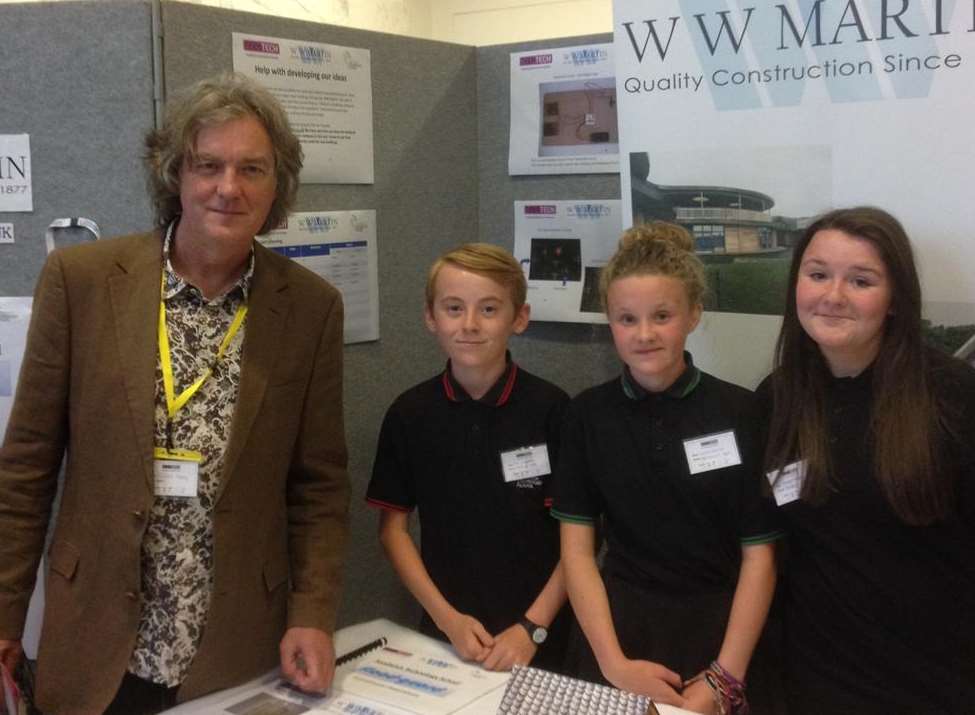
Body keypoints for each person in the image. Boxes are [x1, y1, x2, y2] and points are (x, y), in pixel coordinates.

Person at [0, 73, 350, 714]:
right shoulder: (81, 282)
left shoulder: (310, 308)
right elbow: (25, 470)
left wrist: (313, 612)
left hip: (235, 637)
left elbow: (319, 486)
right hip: (96, 634)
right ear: (175, 176)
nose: (228, 187)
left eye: (252, 168)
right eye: (208, 165)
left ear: (277, 188)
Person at [552, 222, 781, 714]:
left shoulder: (742, 412)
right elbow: (577, 554)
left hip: (719, 640)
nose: (645, 334)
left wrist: (724, 679)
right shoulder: (584, 416)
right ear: (609, 321)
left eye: (662, 315)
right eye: (626, 319)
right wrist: (612, 663)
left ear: (694, 314)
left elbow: (759, 558)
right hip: (614, 634)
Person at [758, 206, 975, 714]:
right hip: (810, 679)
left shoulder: (953, 398)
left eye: (860, 280)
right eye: (817, 275)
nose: (833, 296)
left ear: (895, 298)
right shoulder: (777, 399)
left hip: (934, 680)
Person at [366, 243, 571, 673]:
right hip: (447, 632)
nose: (470, 325)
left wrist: (531, 627)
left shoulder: (553, 410)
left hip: (542, 633)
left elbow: (582, 537)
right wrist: (447, 619)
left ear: (520, 317)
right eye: (454, 308)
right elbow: (393, 531)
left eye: (490, 309)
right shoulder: (410, 414)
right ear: (430, 317)